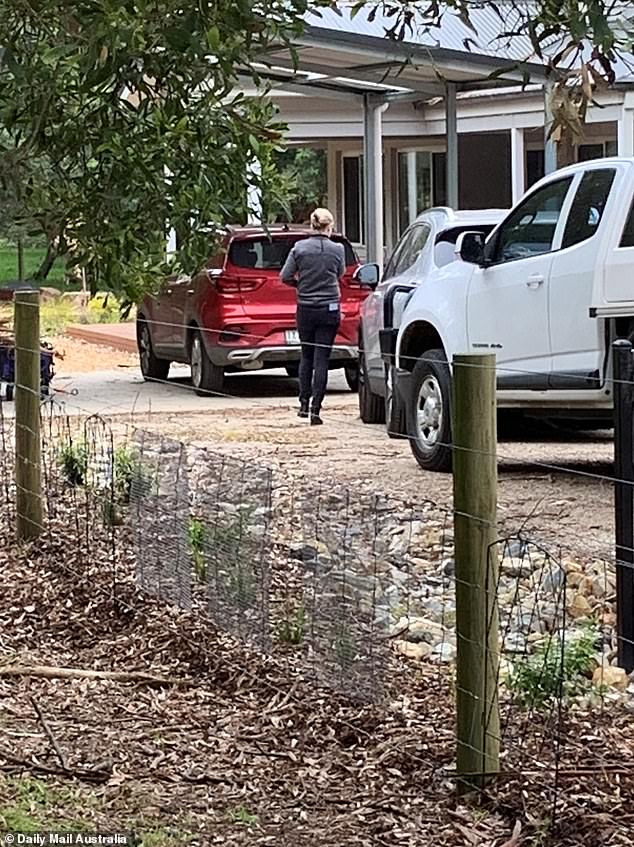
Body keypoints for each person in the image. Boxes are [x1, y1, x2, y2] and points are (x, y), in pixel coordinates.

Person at [280, 208, 345, 425]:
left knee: (306, 355)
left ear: (311, 225)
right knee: (322, 358)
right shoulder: (337, 249)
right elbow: (340, 273)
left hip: (306, 307)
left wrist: (300, 285)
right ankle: (317, 409)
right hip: (329, 307)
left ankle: (303, 403)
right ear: (330, 227)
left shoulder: (299, 248)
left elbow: (285, 275)